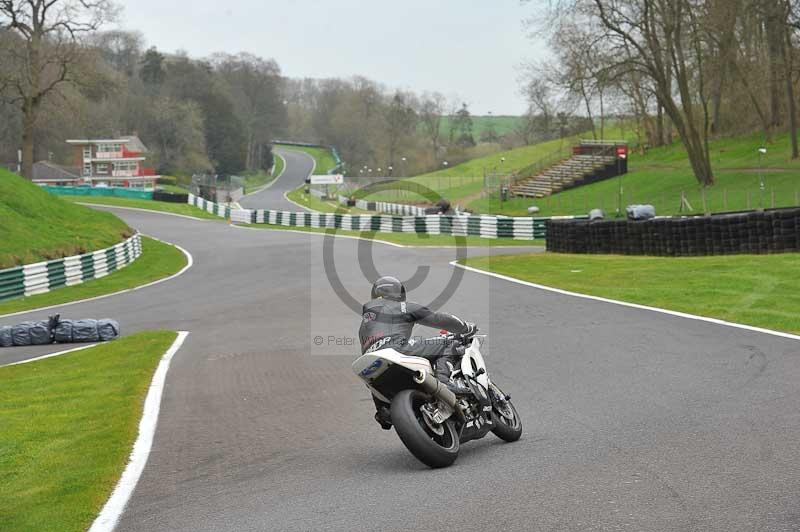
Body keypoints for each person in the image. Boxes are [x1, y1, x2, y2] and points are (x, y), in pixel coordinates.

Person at [359, 276, 477, 429]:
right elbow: (438, 319)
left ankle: (383, 411)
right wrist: (465, 328)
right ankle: (444, 382)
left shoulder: (364, 324)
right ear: (398, 294)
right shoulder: (401, 307)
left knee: (374, 376)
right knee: (450, 343)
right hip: (397, 348)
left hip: (371, 358)